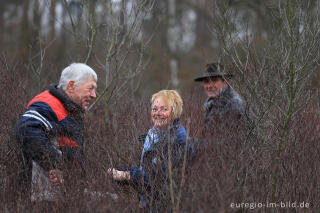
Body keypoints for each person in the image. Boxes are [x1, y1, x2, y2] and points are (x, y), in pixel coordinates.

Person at [14, 63, 97, 201]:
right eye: (90, 88)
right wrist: (53, 165)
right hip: (42, 200)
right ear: (71, 85)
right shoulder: (47, 104)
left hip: (60, 199)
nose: (94, 95)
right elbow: (25, 129)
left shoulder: (70, 110)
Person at [108, 90, 192, 210]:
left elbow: (157, 179)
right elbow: (147, 168)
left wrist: (127, 175)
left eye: (164, 109)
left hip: (167, 206)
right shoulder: (153, 134)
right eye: (155, 109)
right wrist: (120, 171)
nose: (158, 113)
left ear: (174, 112)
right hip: (151, 203)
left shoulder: (178, 140)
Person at [194, 63, 255, 141]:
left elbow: (225, 141)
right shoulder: (211, 105)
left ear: (225, 82)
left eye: (214, 80)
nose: (209, 86)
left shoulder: (233, 104)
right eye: (206, 82)